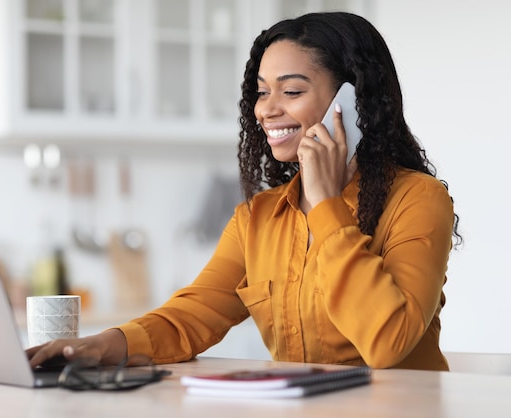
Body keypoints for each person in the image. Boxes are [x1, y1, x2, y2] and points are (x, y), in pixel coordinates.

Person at [27, 12, 461, 371]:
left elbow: (387, 342)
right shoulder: (257, 218)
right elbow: (192, 316)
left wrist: (327, 204)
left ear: (351, 103)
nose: (267, 109)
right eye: (261, 92)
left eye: (291, 91)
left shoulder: (418, 200)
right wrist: (104, 345)